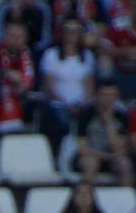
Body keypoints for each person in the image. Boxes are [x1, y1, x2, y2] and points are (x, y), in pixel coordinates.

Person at [38, 19, 95, 152]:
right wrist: (67, 104)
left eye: (75, 31)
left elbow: (89, 85)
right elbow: (49, 86)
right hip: (58, 104)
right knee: (61, 121)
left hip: (81, 105)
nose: (71, 35)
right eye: (68, 31)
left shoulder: (87, 56)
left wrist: (82, 103)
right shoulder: (51, 55)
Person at [74, 79, 134, 186]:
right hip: (90, 156)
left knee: (125, 164)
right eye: (105, 95)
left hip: (113, 158)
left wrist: (109, 123)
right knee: (92, 163)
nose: (109, 99)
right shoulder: (86, 115)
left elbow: (120, 147)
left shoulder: (122, 117)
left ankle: (126, 198)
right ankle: (87, 198)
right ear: (97, 95)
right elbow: (82, 148)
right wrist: (105, 156)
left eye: (113, 95)